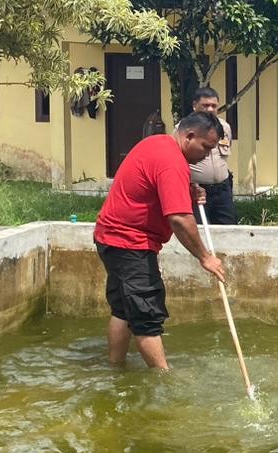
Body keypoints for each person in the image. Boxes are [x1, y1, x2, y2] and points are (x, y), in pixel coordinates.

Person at [93, 111, 227, 370]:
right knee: (146, 314)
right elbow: (179, 219)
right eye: (206, 147)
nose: (207, 154)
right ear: (189, 136)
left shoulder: (158, 144)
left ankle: (115, 368)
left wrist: (187, 189)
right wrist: (205, 257)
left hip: (110, 238)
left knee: (123, 309)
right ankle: (163, 380)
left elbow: (152, 185)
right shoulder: (172, 161)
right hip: (129, 242)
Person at [189, 86, 237, 226]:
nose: (210, 109)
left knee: (230, 229)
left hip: (222, 190)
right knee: (200, 230)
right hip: (197, 191)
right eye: (205, 105)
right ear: (194, 105)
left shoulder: (224, 127)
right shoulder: (184, 128)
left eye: (213, 106)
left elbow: (226, 152)